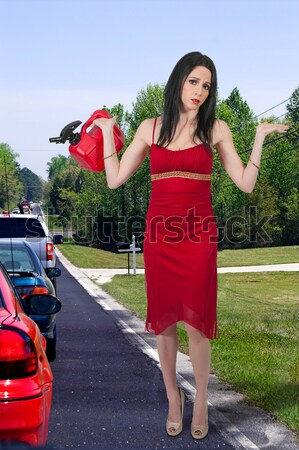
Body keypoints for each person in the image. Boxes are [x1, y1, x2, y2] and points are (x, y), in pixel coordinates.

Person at [93, 51, 289, 440]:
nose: (199, 91)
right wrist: (104, 133)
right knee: (164, 325)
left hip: (199, 235)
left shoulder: (216, 128)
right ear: (179, 80)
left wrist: (260, 138)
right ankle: (173, 398)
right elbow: (114, 178)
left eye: (207, 85)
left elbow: (245, 184)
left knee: (197, 325)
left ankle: (200, 398)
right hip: (159, 235)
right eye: (194, 81)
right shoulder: (150, 128)